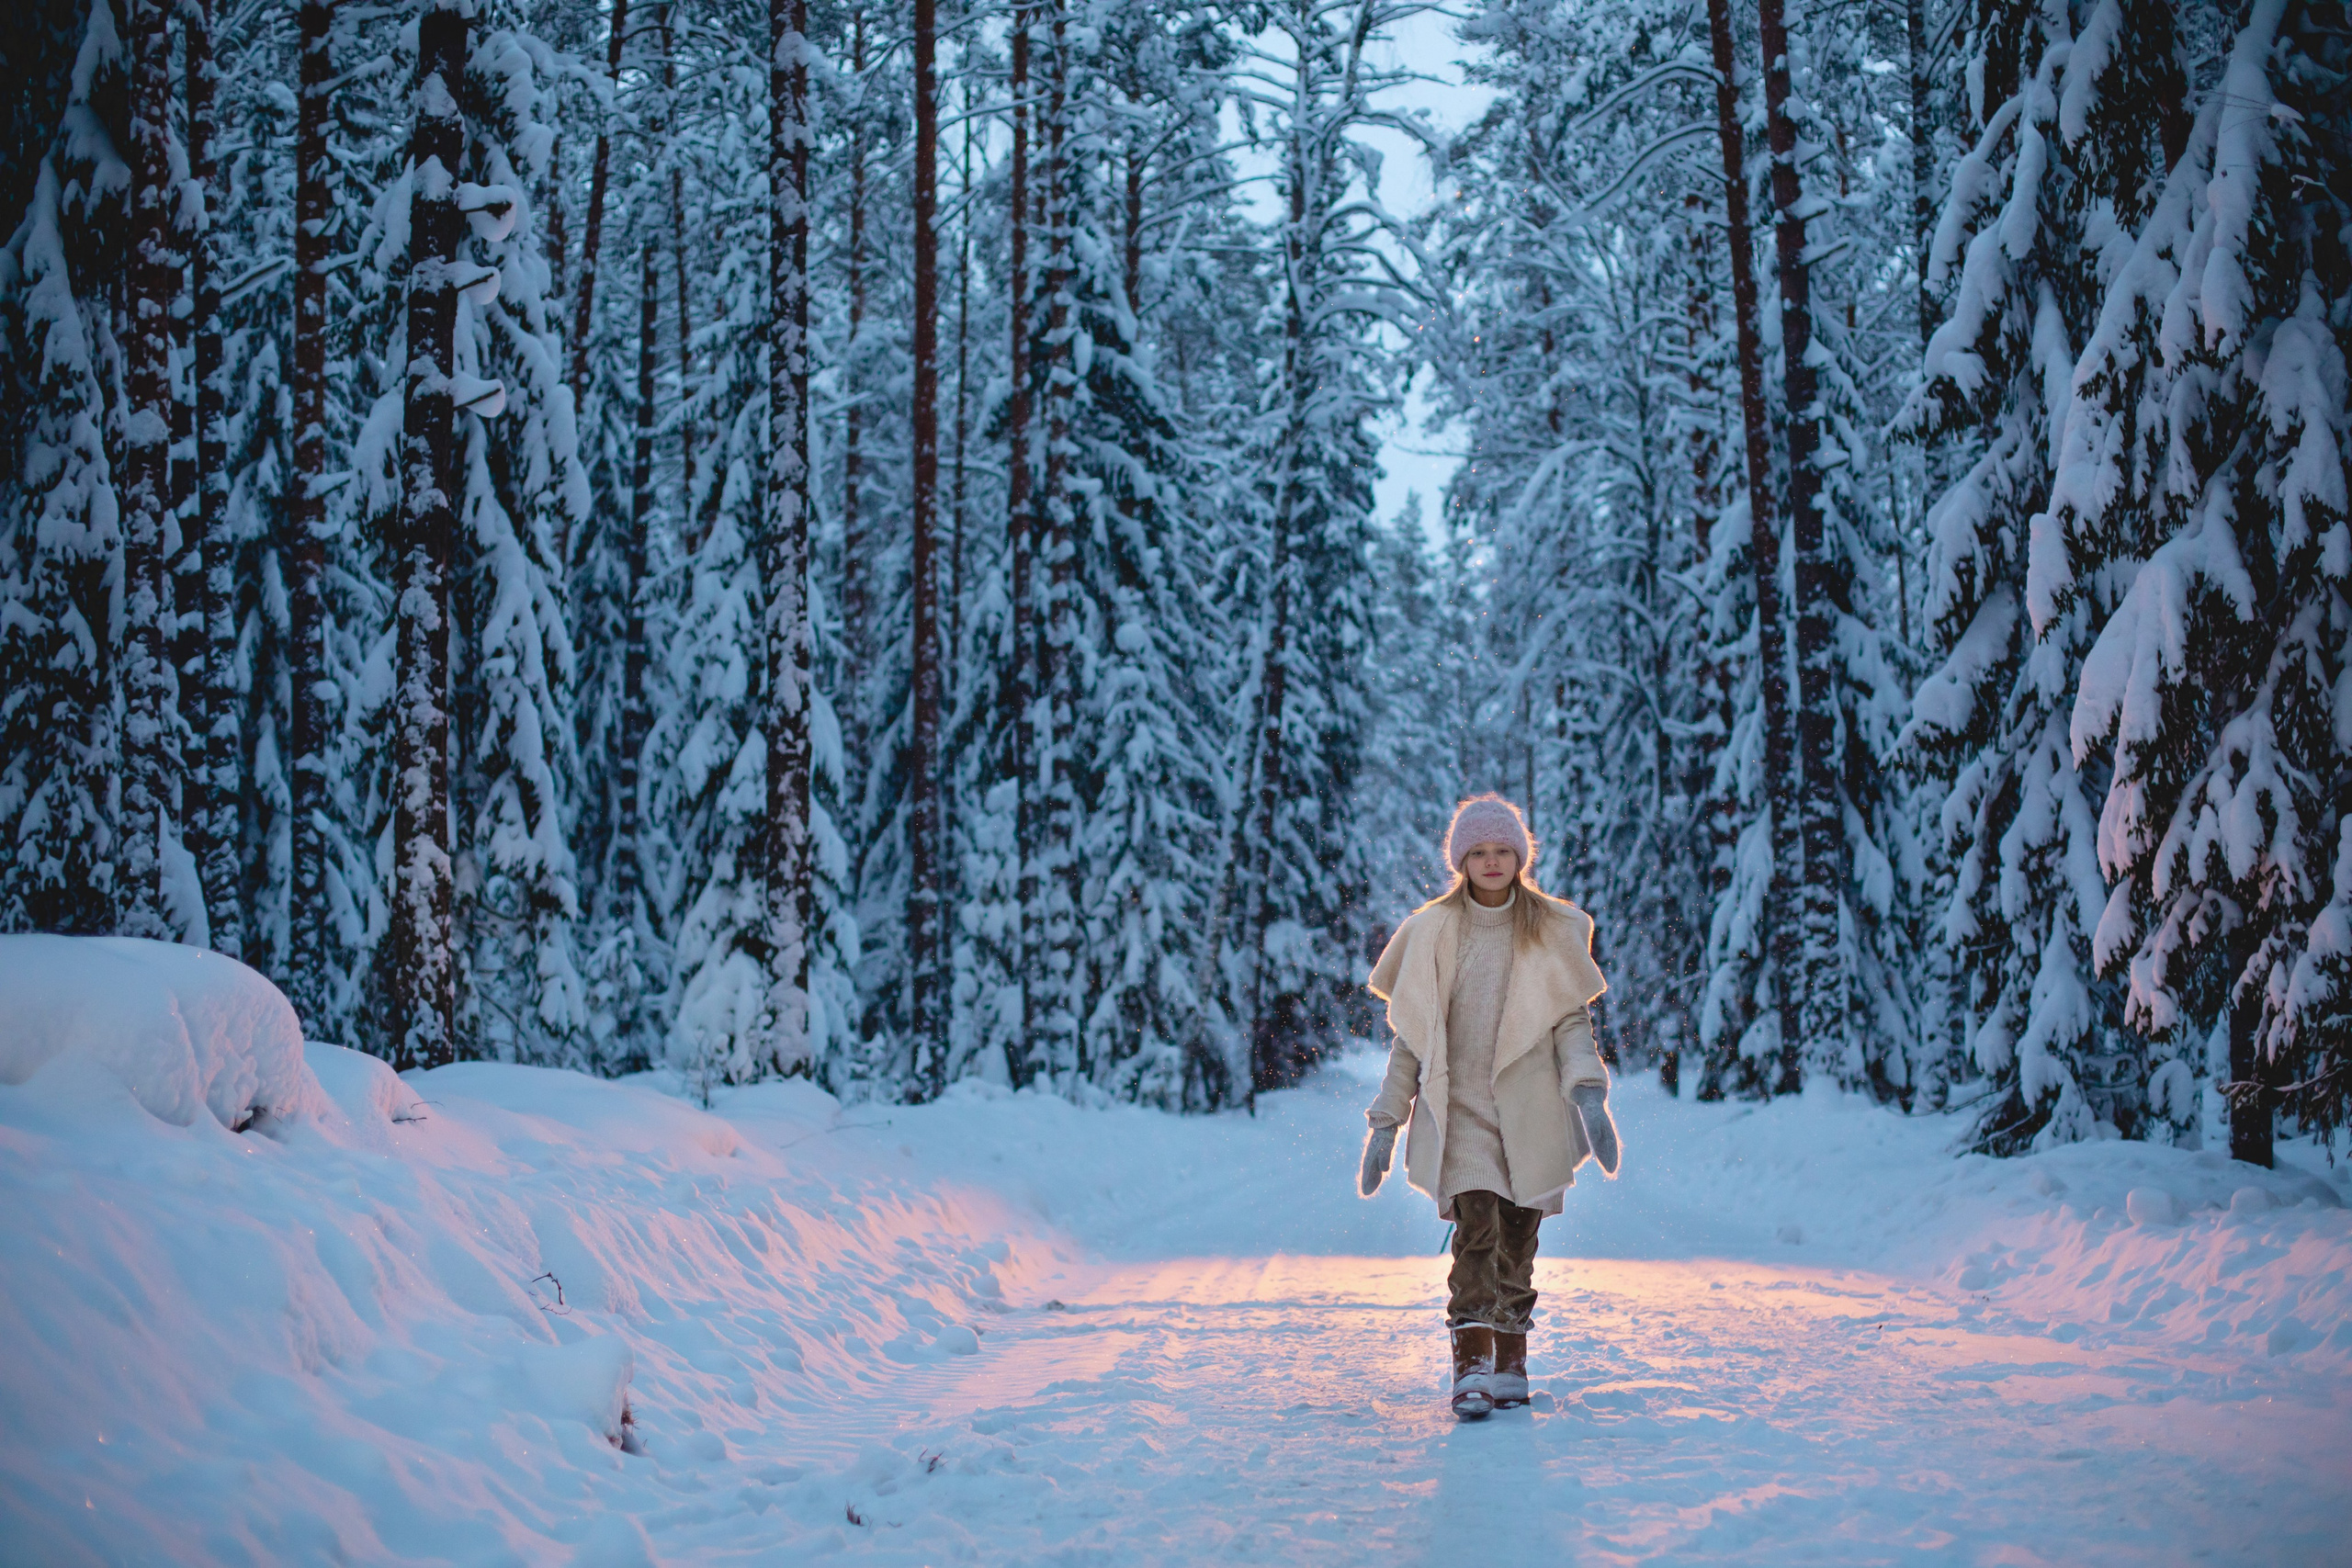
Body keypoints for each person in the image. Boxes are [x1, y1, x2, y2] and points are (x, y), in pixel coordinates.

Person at [1358, 793, 1621, 1420]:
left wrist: (1588, 1094)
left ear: (1520, 855)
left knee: (1517, 1242)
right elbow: (1411, 1041)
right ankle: (1471, 1363)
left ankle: (1510, 1356)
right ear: (1461, 859)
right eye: (1479, 851)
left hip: (1529, 1112)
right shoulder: (1432, 932)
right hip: (1462, 1111)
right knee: (1476, 1233)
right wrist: (1385, 1124)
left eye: (1503, 849)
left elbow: (1569, 1025)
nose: (1493, 860)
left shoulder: (1549, 930)